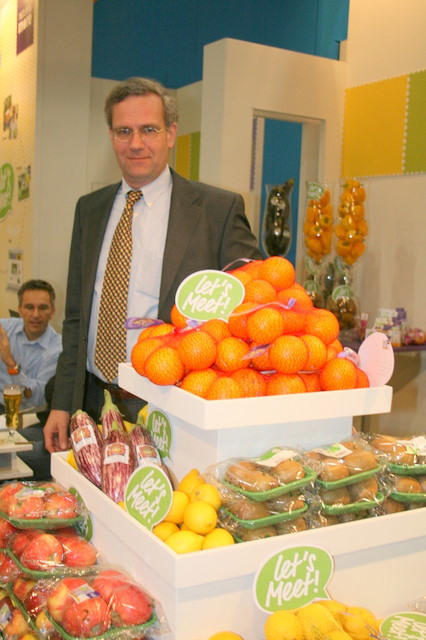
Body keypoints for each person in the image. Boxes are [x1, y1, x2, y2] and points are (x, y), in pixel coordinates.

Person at [44, 76, 262, 454]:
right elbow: (76, 317)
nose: (135, 143)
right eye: (123, 131)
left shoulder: (217, 211)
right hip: (92, 402)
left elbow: (253, 307)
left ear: (171, 133)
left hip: (169, 405)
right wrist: (63, 402)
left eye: (148, 129)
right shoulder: (89, 210)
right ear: (111, 136)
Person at [0, 279, 62, 479]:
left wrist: (11, 364)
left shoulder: (57, 349)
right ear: (19, 309)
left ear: (52, 311)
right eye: (29, 307)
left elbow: (35, 398)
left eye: (43, 308)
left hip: (19, 413)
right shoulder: (6, 329)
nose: (35, 314)